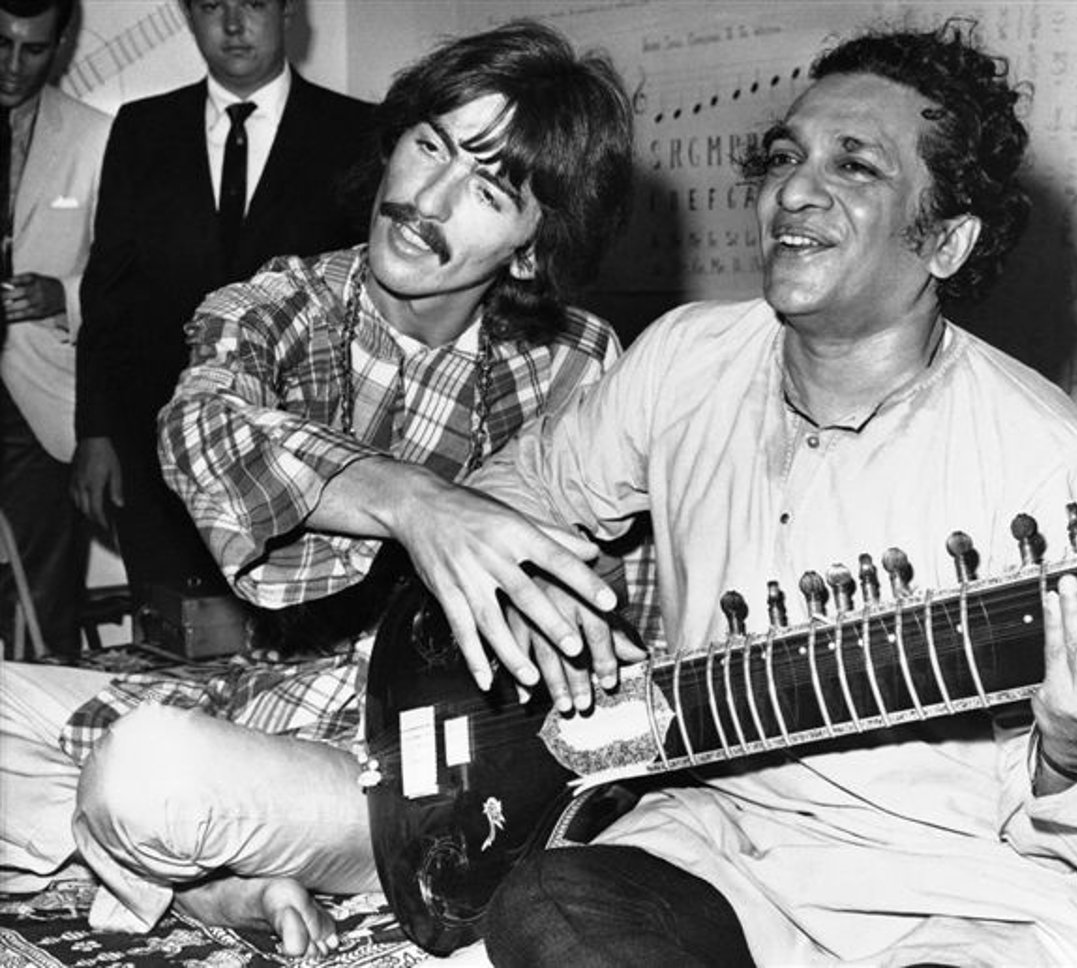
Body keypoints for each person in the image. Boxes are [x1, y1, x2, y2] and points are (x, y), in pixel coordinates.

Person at [376, 20, 1077, 967]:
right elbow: (521, 493)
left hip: (960, 885)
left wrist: (1074, 747)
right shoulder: (689, 358)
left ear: (946, 241)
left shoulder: (1046, 462)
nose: (794, 191)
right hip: (730, 842)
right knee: (549, 908)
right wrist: (468, 548)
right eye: (783, 158)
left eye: (855, 166)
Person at [0, 19, 637, 961]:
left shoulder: (578, 366)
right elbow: (203, 428)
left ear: (533, 250)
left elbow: (621, 621)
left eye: (488, 188)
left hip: (418, 777)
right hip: (261, 698)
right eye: (431, 146)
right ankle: (209, 883)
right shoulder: (278, 303)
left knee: (143, 772)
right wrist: (414, 502)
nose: (426, 198)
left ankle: (183, 862)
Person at [69, 0, 373, 616]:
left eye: (253, 3)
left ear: (288, 12)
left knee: (291, 639)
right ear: (188, 16)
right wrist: (95, 431)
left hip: (302, 450)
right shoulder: (142, 128)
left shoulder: (356, 131)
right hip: (156, 447)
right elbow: (107, 293)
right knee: (173, 635)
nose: (233, 24)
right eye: (212, 5)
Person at [0, 0, 110, 660]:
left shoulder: (96, 137)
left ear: (62, 44)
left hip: (39, 399)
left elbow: (125, 281)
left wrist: (60, 294)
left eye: (33, 49)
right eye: (1, 44)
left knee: (41, 601)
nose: (13, 66)